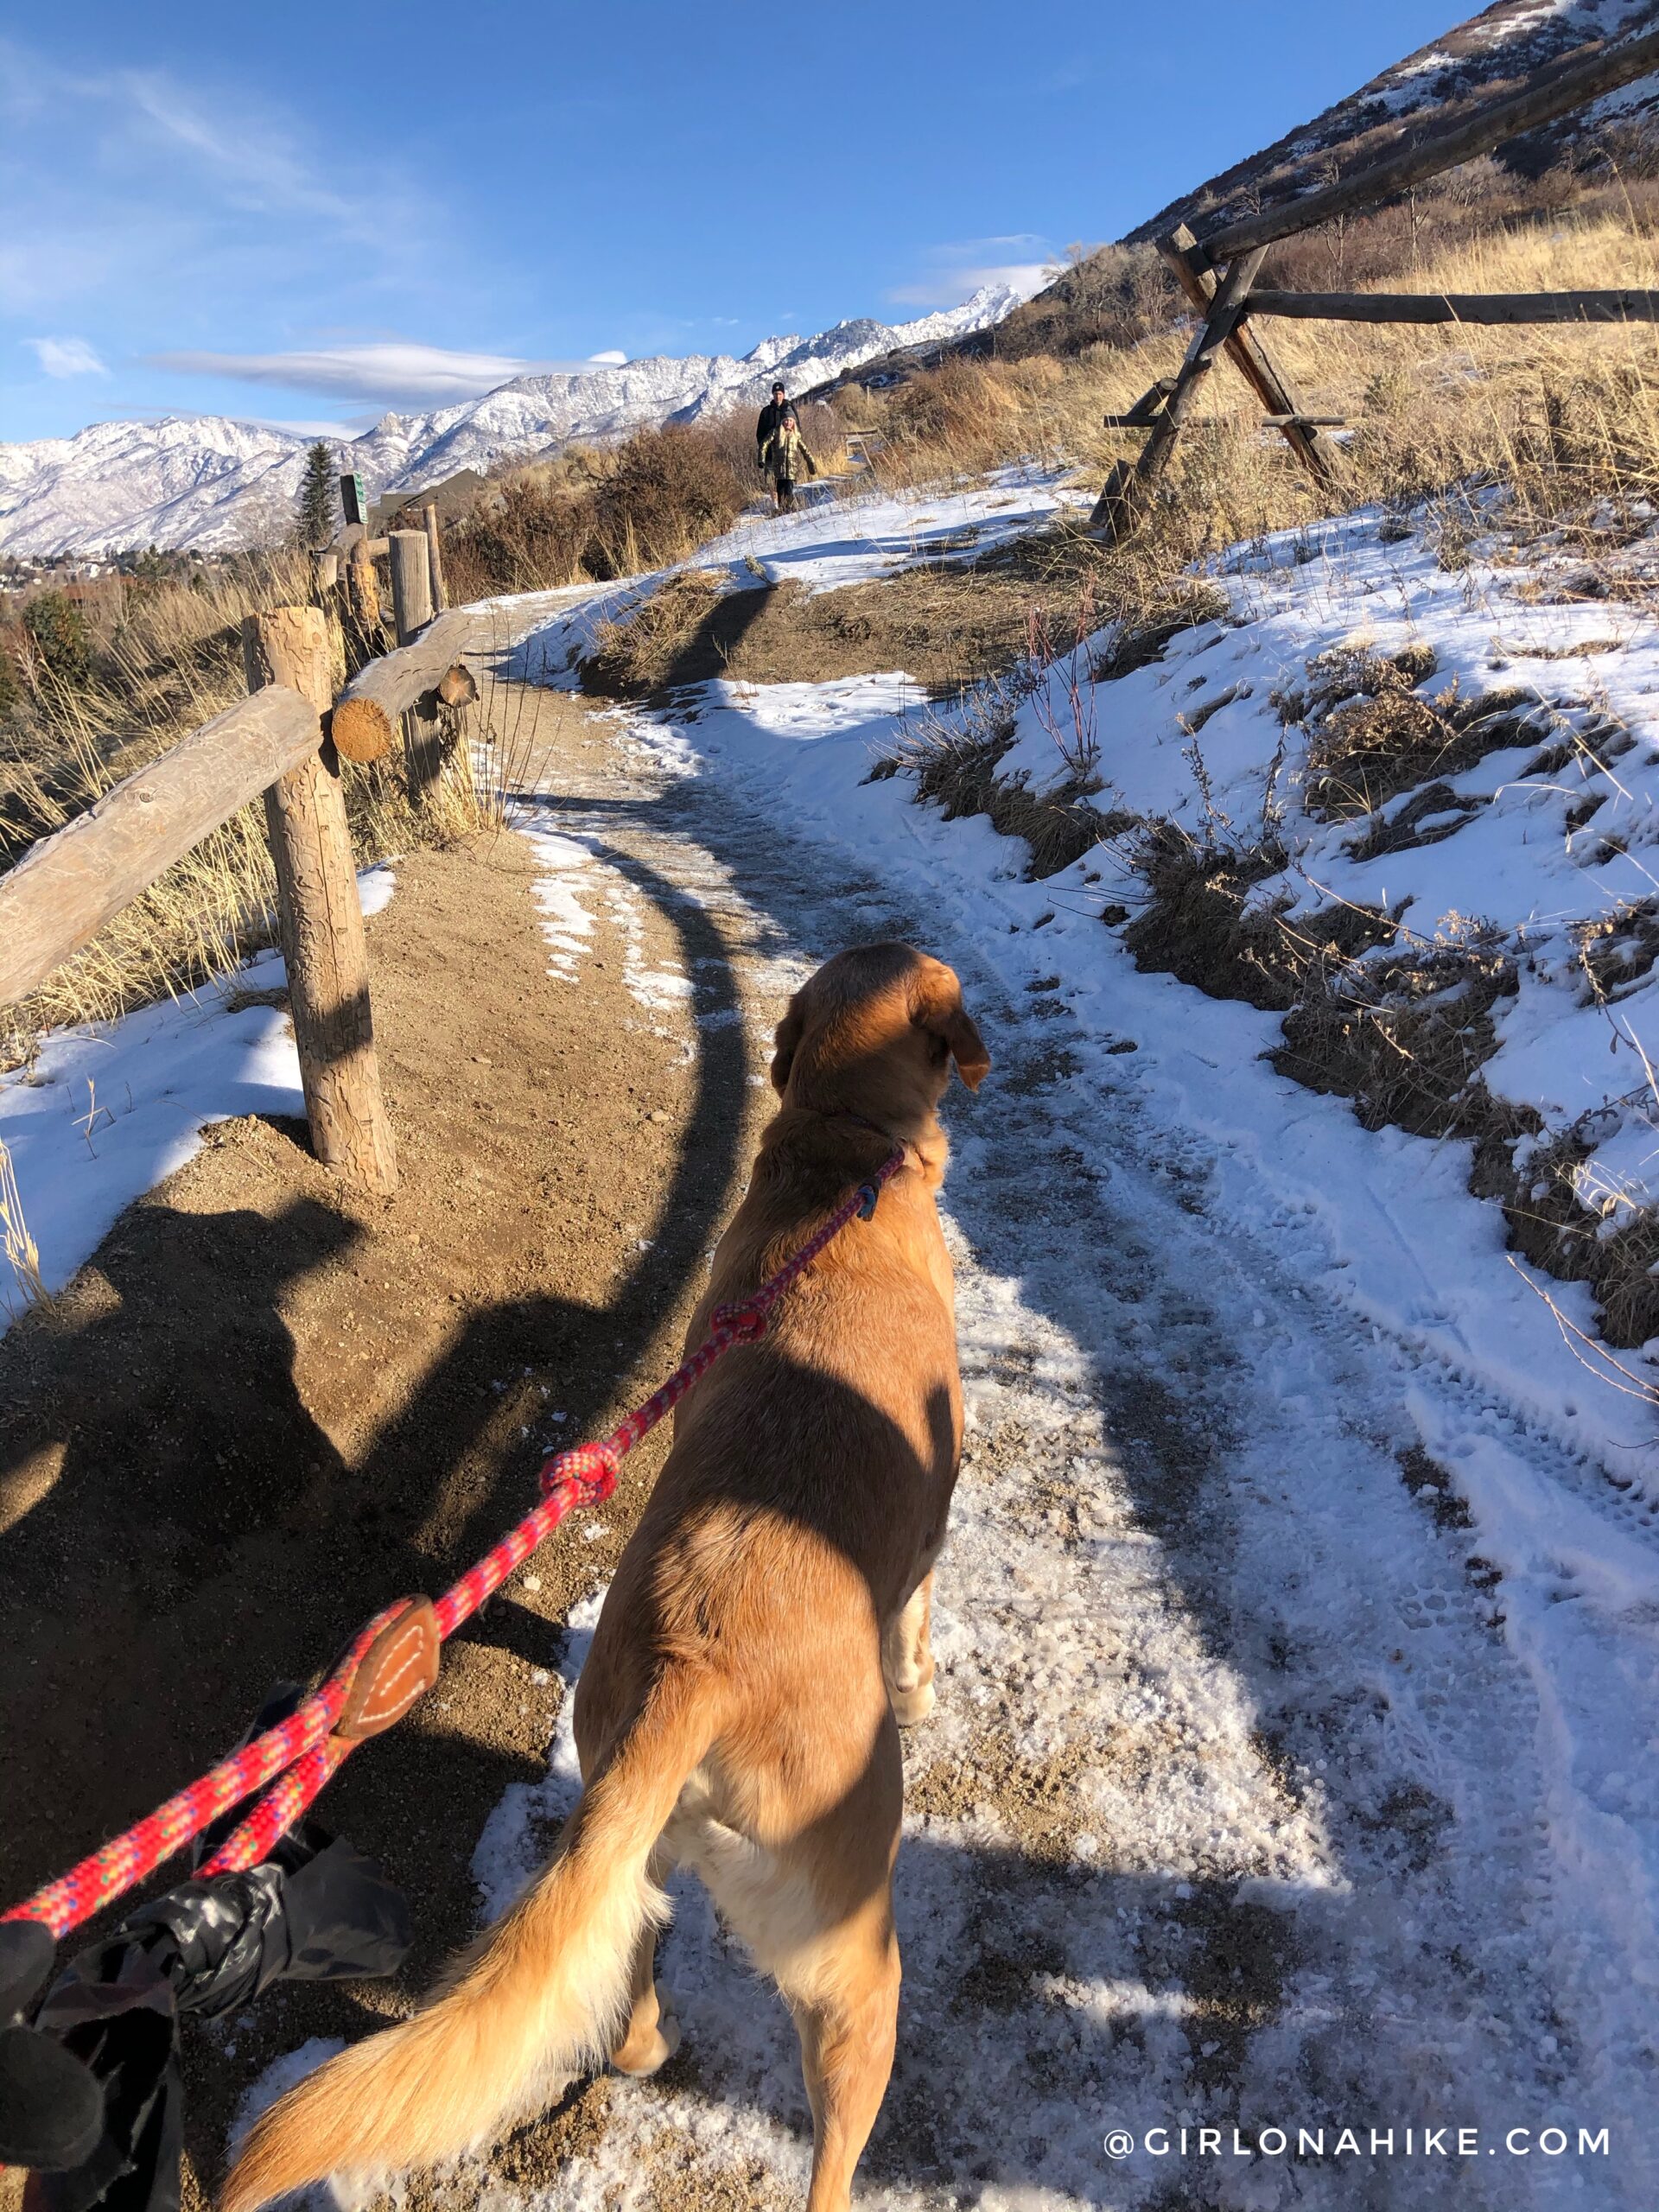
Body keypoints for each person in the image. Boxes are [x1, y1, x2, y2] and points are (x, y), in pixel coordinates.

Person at [759, 408, 818, 513]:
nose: (788, 423)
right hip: (779, 469)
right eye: (786, 420)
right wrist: (761, 458)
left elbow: (805, 450)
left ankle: (789, 512)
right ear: (782, 421)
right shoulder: (776, 432)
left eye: (791, 420)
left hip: (791, 469)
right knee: (780, 491)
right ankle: (782, 511)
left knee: (789, 491)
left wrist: (811, 463)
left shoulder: (796, 435)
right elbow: (764, 443)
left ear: (793, 422)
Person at [754, 381, 791, 466]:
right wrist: (765, 451)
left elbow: (797, 431)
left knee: (787, 479)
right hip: (770, 458)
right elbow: (760, 434)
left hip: (787, 457)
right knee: (770, 478)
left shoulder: (789, 411)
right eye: (775, 394)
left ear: (783, 395)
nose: (777, 397)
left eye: (779, 394)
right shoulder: (766, 412)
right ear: (772, 395)